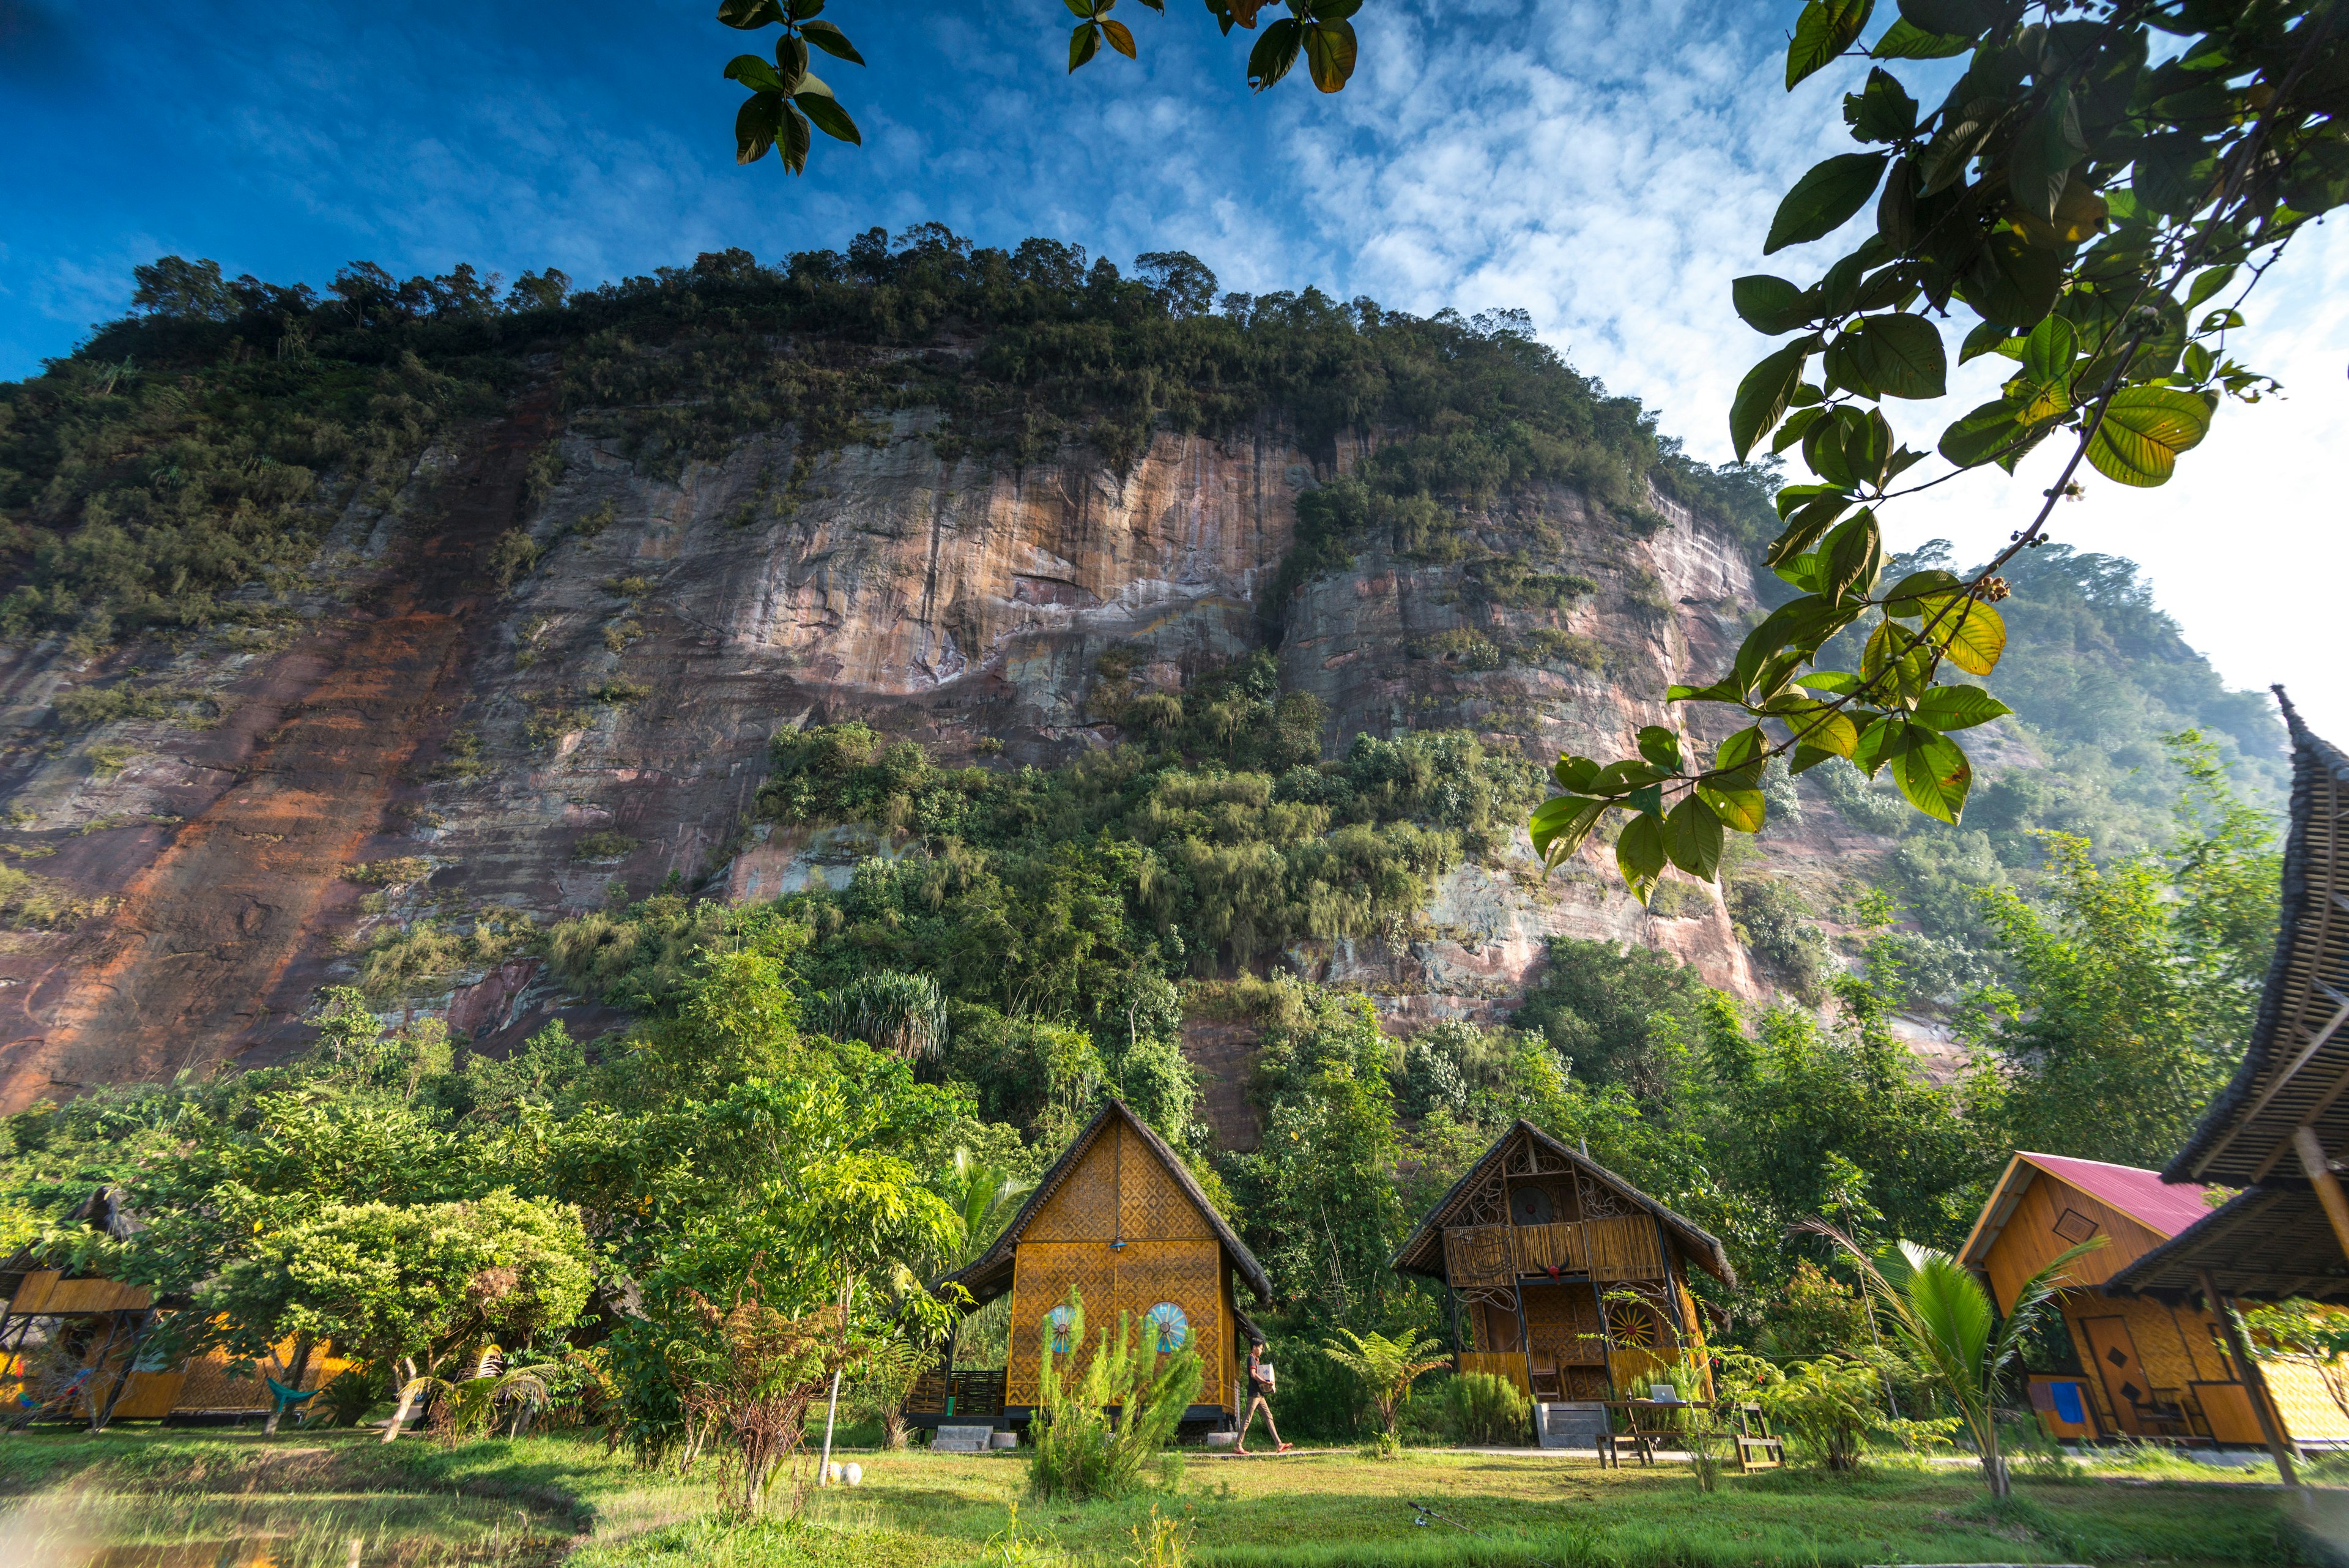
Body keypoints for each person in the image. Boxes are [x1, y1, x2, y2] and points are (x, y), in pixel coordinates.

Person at [1234, 1339, 1290, 1455]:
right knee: (1247, 1419)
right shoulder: (1251, 1358)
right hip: (1254, 1395)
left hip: (1260, 1395)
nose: (1261, 1350)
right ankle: (1237, 1446)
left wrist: (1268, 1386)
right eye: (1260, 1347)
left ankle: (1279, 1444)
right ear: (1254, 1347)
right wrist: (1266, 1382)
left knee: (1269, 1417)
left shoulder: (1256, 1360)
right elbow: (1253, 1375)